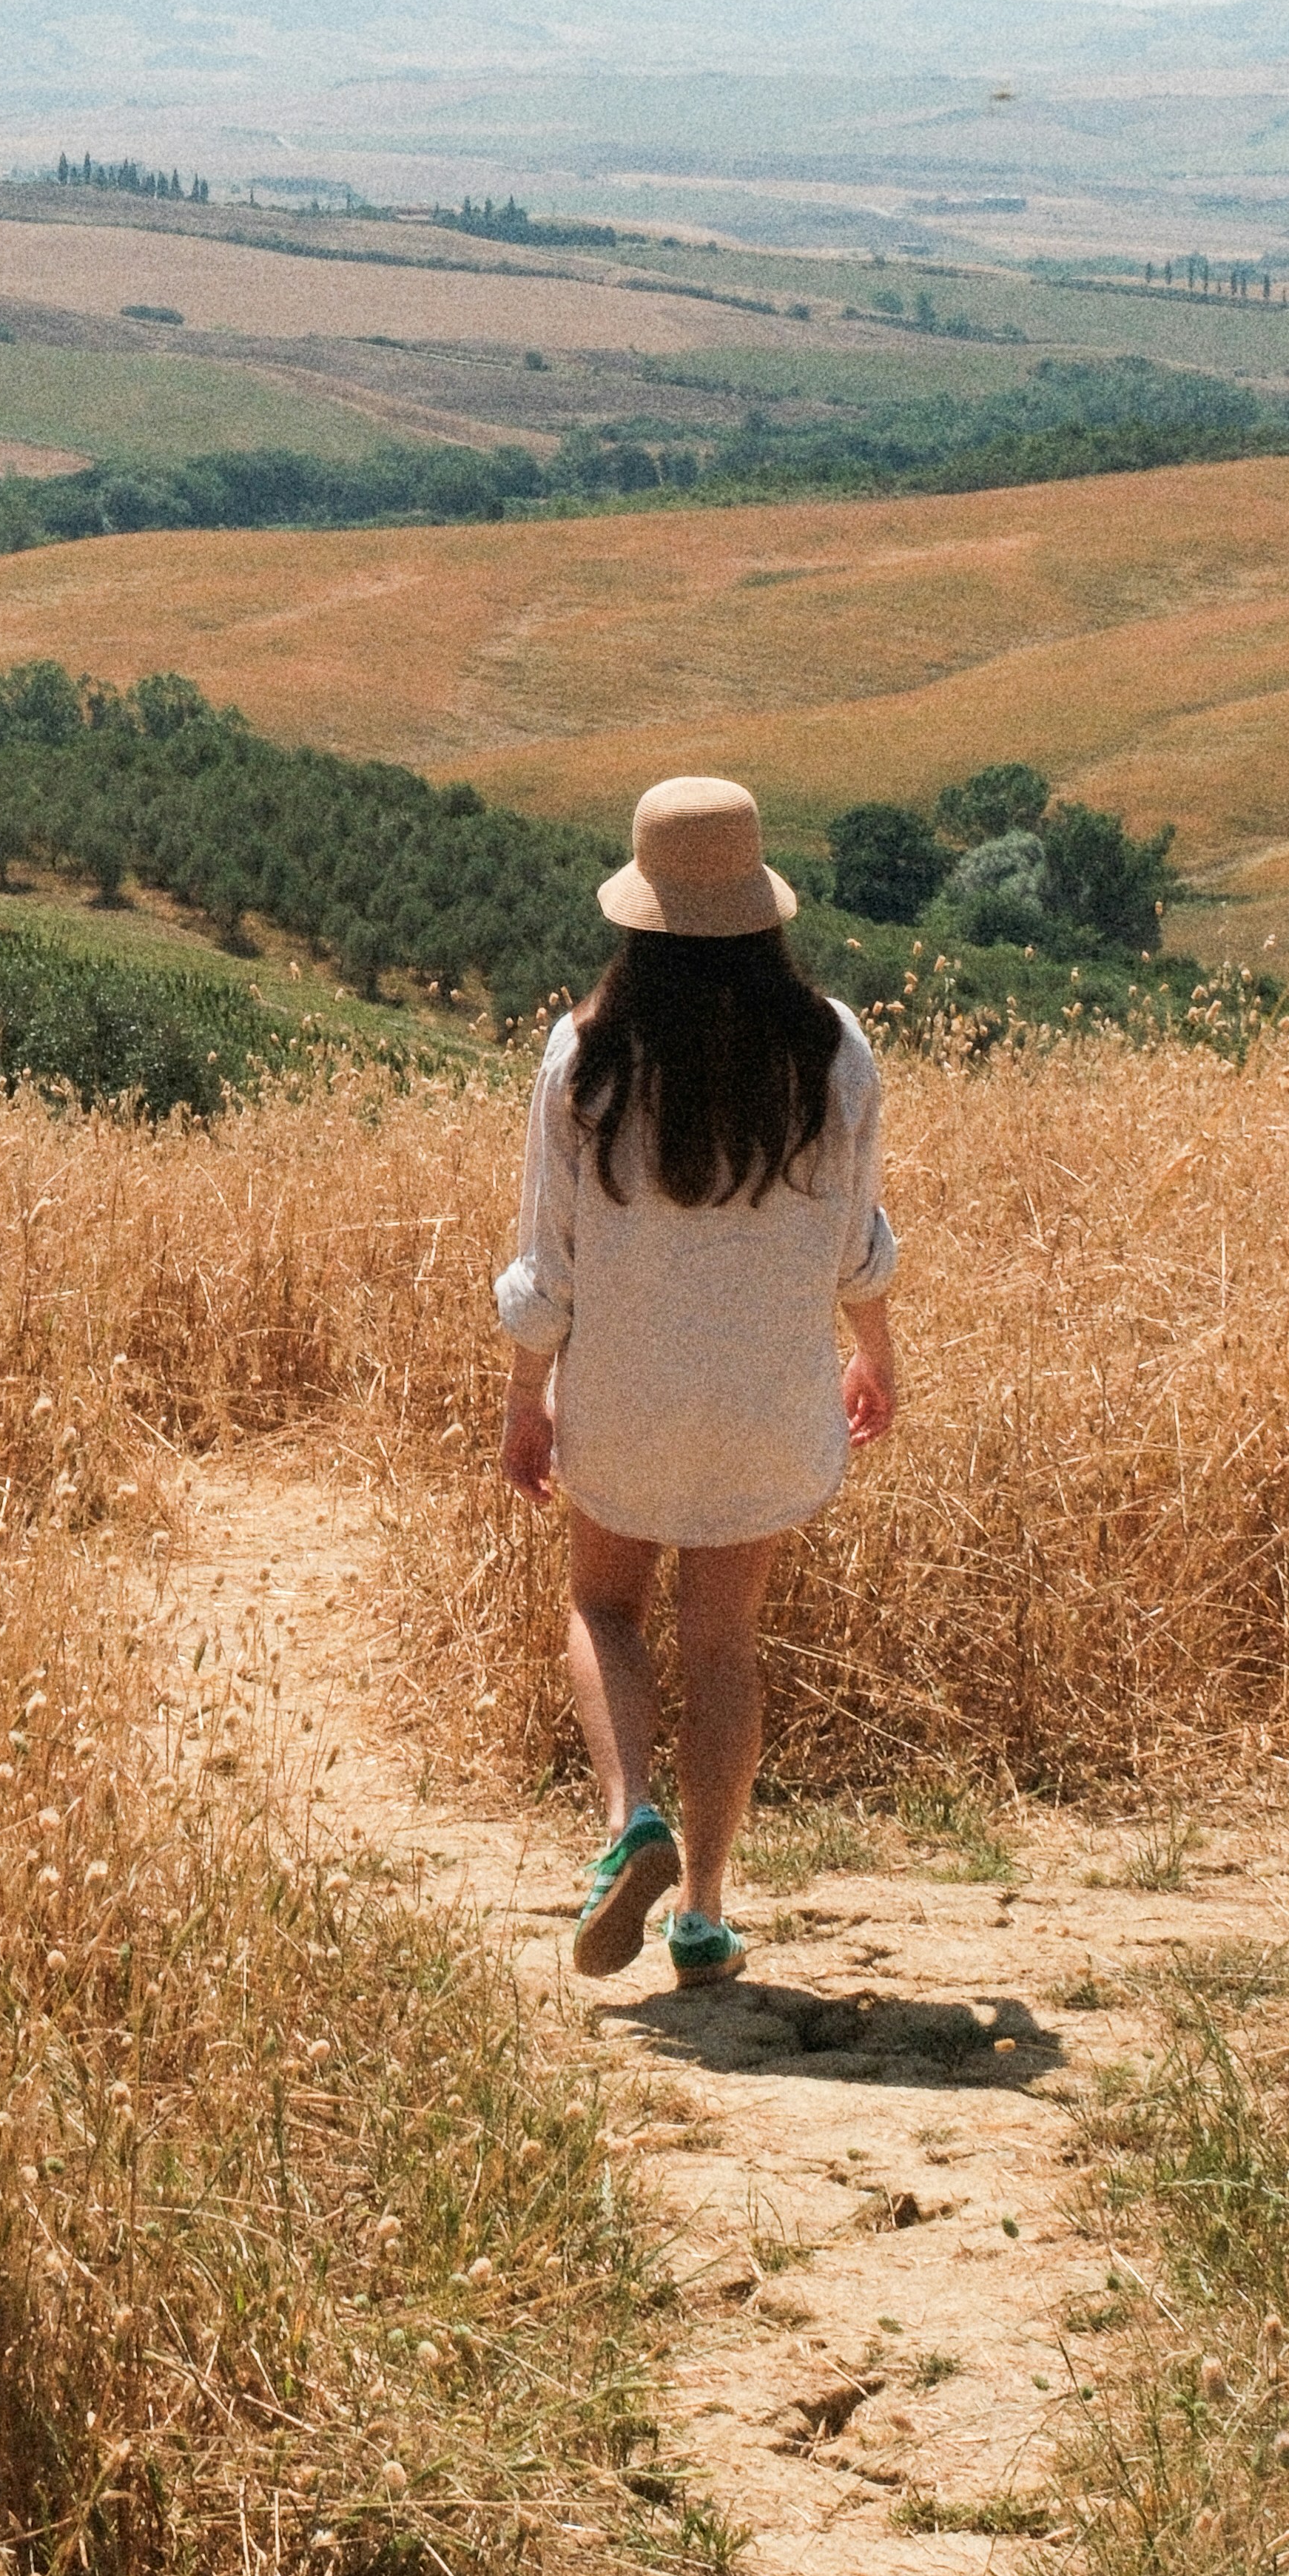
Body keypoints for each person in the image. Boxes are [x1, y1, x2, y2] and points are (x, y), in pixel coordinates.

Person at [494, 775, 898, 1989]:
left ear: (640, 914)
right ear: (763, 908)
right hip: (773, 1398)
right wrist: (876, 1355)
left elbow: (545, 1265)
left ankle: (633, 1824)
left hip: (625, 1390)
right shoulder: (834, 1049)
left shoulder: (586, 1055)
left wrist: (526, 1399)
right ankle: (706, 1915)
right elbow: (855, 1245)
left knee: (602, 1608)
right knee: (723, 1638)